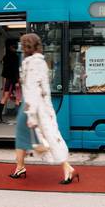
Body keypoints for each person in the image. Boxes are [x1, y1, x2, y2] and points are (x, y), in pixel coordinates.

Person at [10, 33, 78, 185]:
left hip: (34, 107)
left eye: (23, 45)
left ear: (27, 46)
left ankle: (67, 168)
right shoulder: (34, 61)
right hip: (32, 105)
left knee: (48, 137)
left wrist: (32, 116)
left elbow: (34, 90)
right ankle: (20, 166)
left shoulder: (34, 63)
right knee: (25, 136)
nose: (21, 47)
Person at [0, 39, 20, 123]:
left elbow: (5, 71)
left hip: (8, 79)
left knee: (5, 97)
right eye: (14, 47)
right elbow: (15, 70)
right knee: (17, 98)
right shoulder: (15, 57)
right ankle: (19, 118)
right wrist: (16, 81)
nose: (15, 48)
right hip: (13, 80)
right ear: (11, 47)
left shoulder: (5, 57)